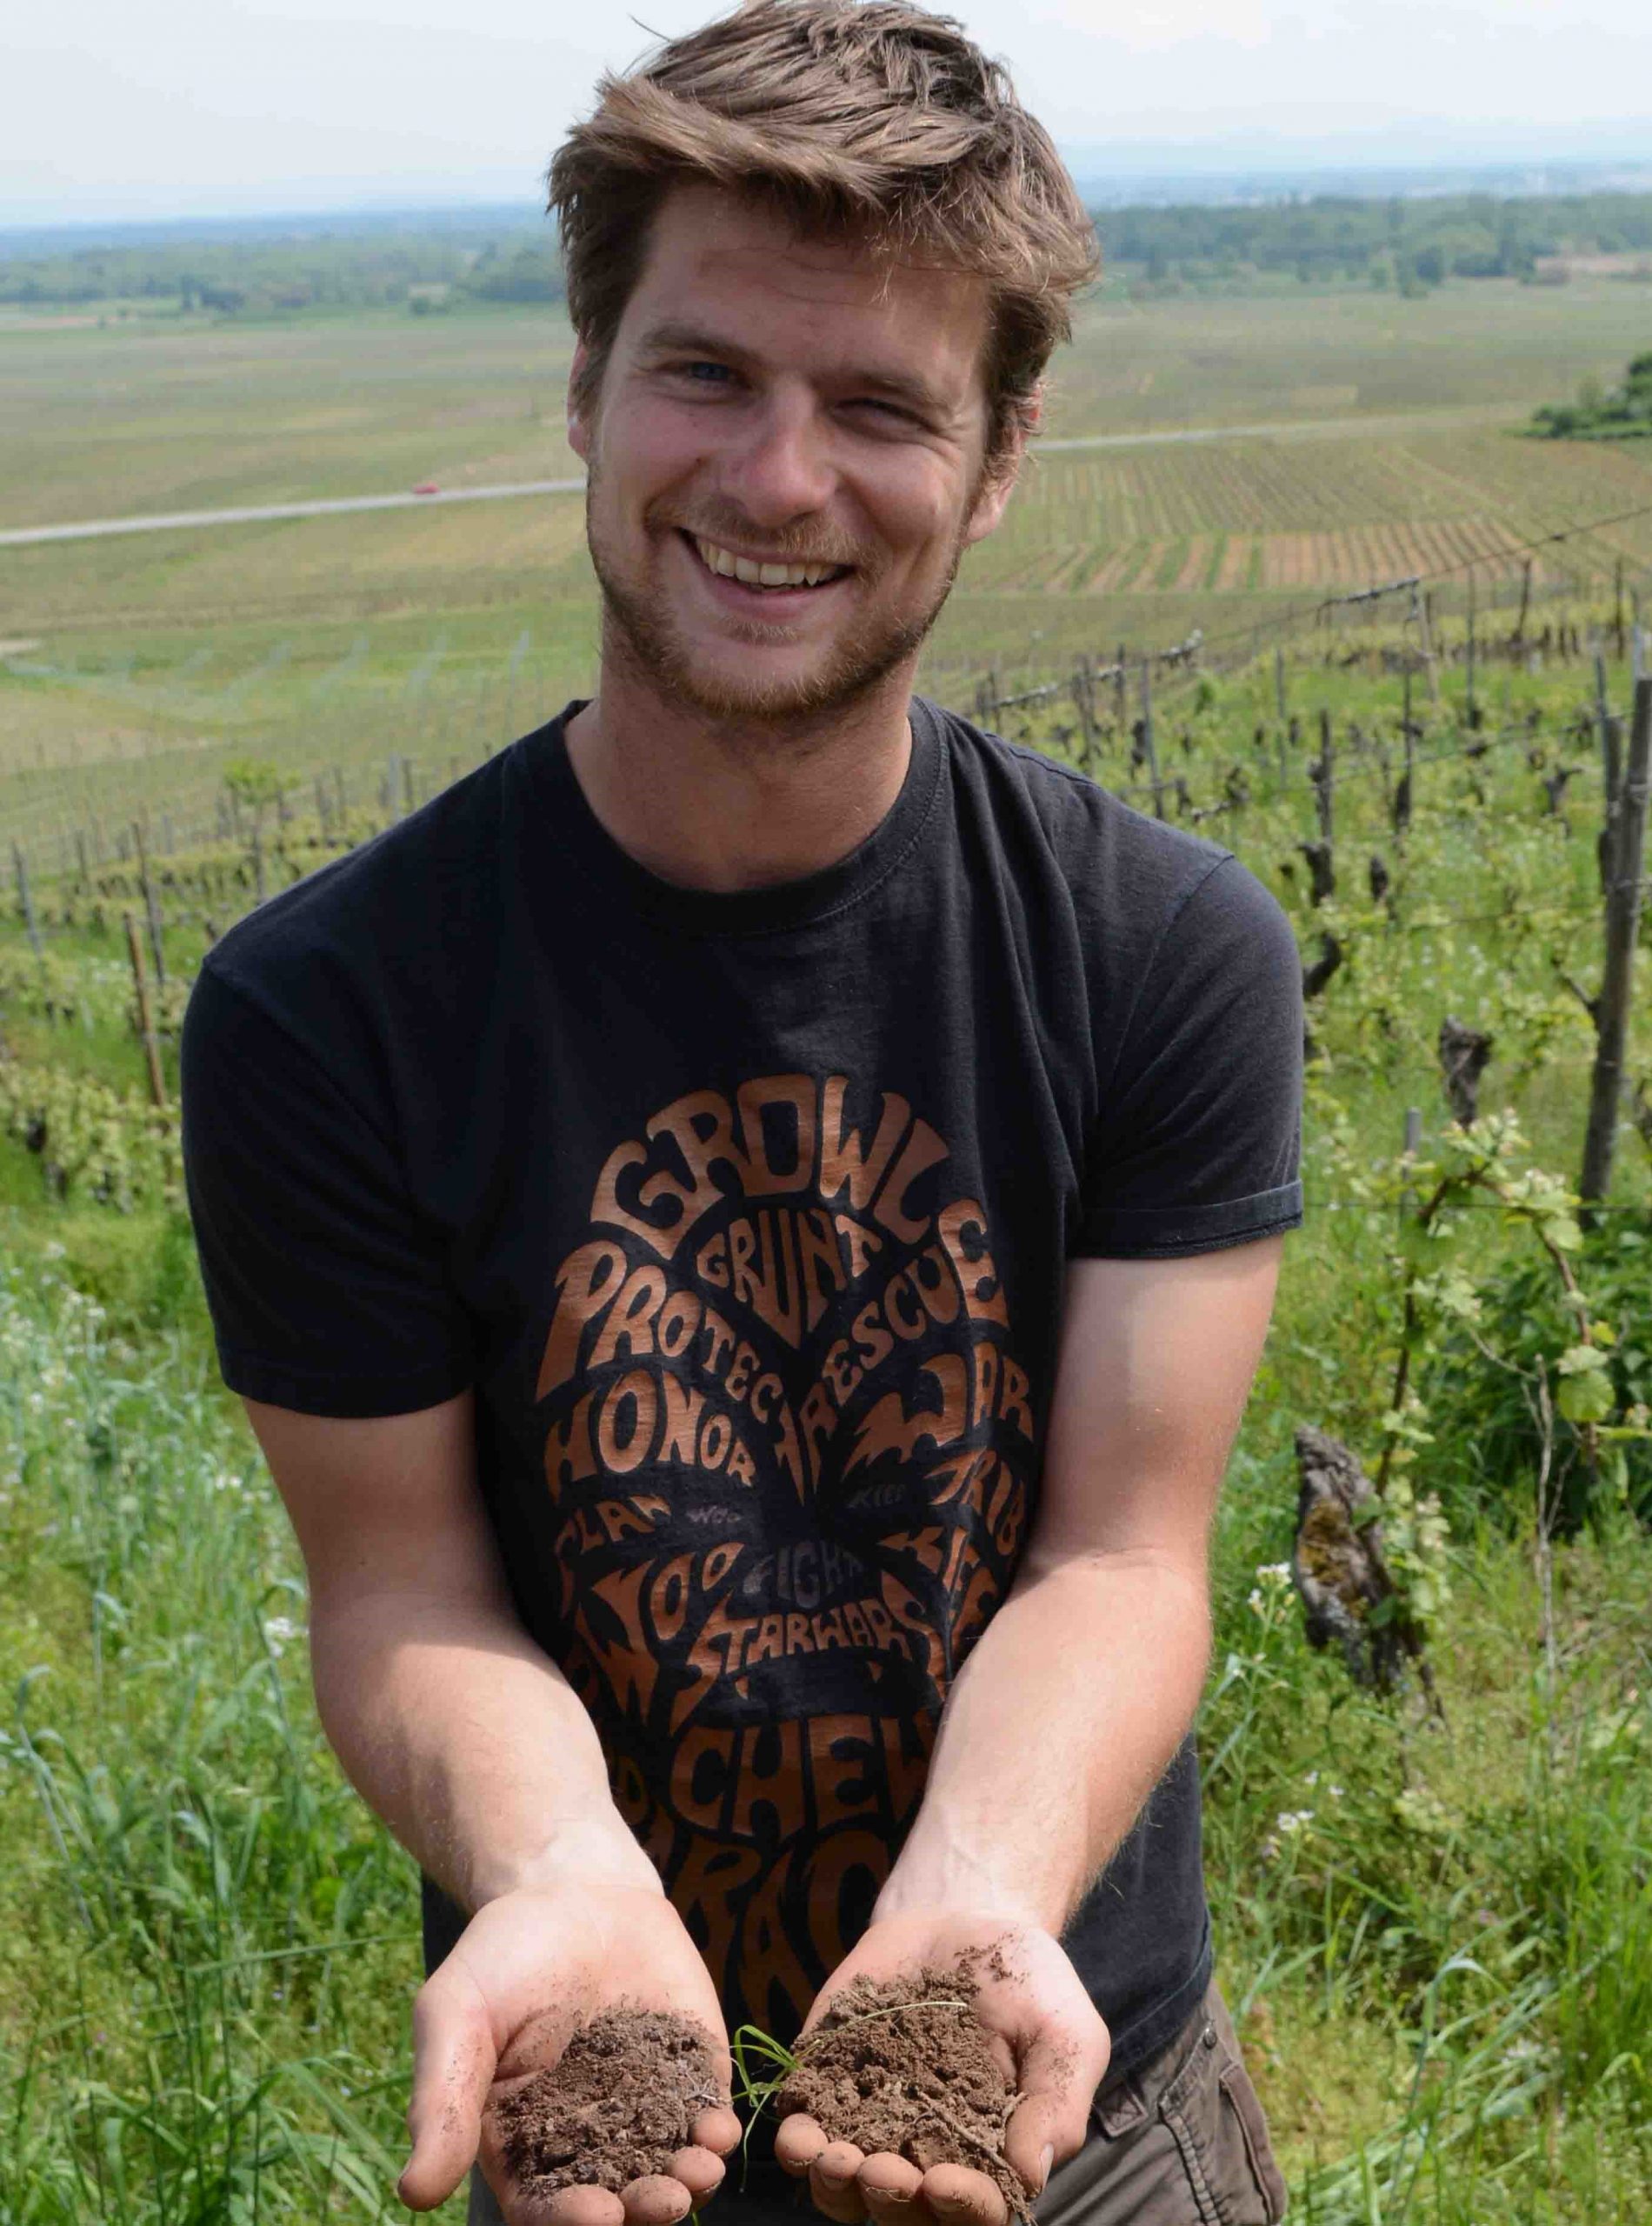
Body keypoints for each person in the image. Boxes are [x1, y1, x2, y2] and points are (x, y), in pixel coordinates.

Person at [180, 6, 1302, 2224]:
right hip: (593, 2093)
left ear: (997, 457)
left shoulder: (1155, 949)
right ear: (584, 388)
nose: (778, 480)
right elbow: (402, 1582)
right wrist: (553, 1866)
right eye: (704, 372)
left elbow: (1117, 1552)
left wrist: (979, 1883)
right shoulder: (325, 1008)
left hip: (1086, 2102)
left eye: (879, 405)